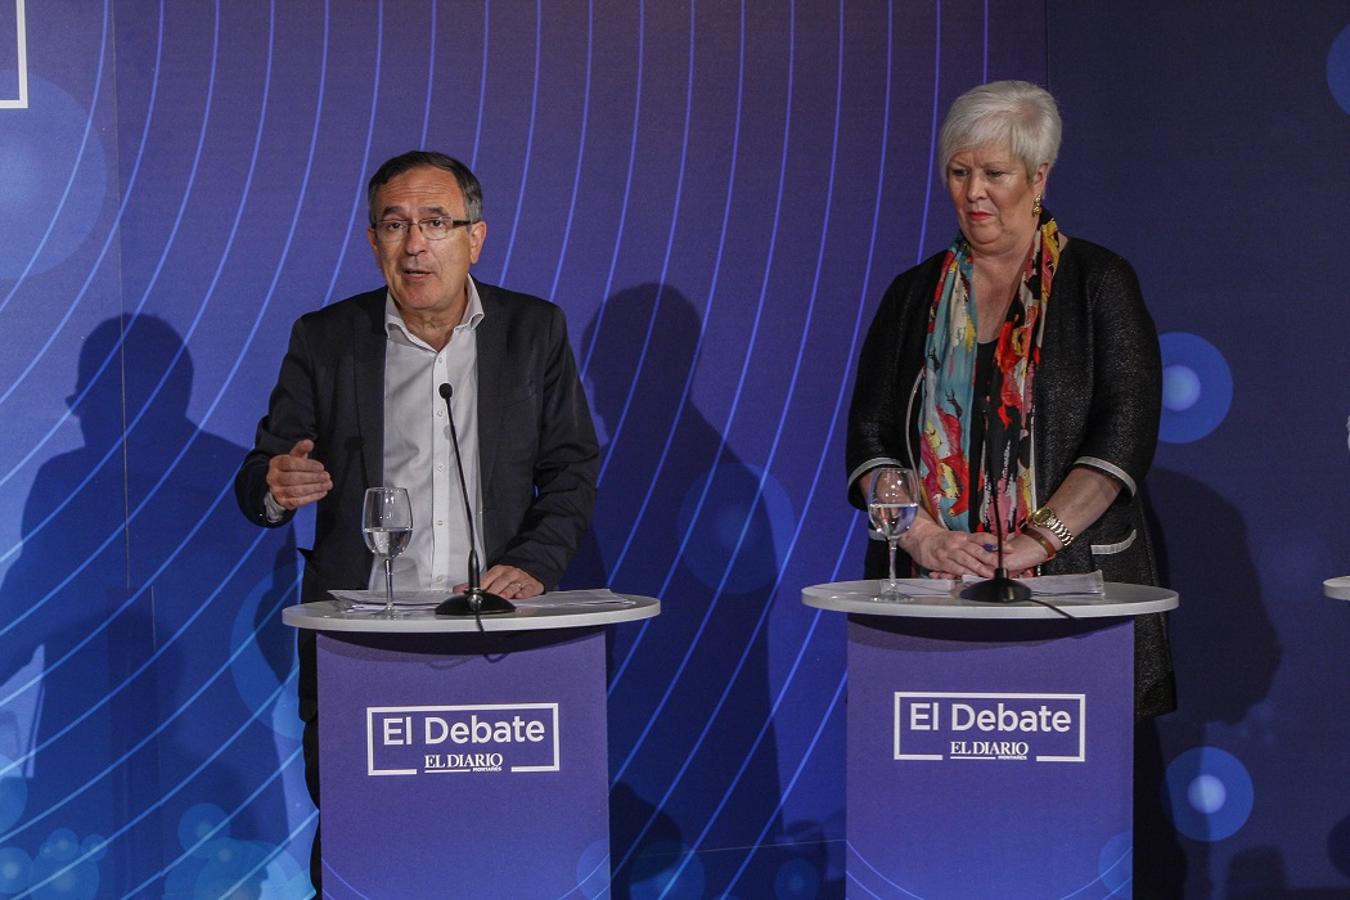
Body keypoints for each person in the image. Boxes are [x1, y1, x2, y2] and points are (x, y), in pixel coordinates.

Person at [845, 81, 1180, 889]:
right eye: (959, 173)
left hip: (1076, 594)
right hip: (939, 592)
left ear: (1040, 178)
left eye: (995, 173)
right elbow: (870, 438)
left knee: (1095, 819)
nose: (974, 194)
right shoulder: (912, 295)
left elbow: (1125, 430)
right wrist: (922, 536)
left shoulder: (1100, 282)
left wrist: (1039, 541)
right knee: (946, 816)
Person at [234, 150, 598, 888]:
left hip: (495, 630)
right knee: (365, 844)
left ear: (476, 236)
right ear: (372, 243)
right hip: (364, 638)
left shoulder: (533, 332)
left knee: (500, 836)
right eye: (394, 225)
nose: (414, 244)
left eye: (436, 222)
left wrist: (533, 564)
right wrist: (277, 485)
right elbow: (262, 476)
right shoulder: (327, 339)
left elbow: (571, 468)